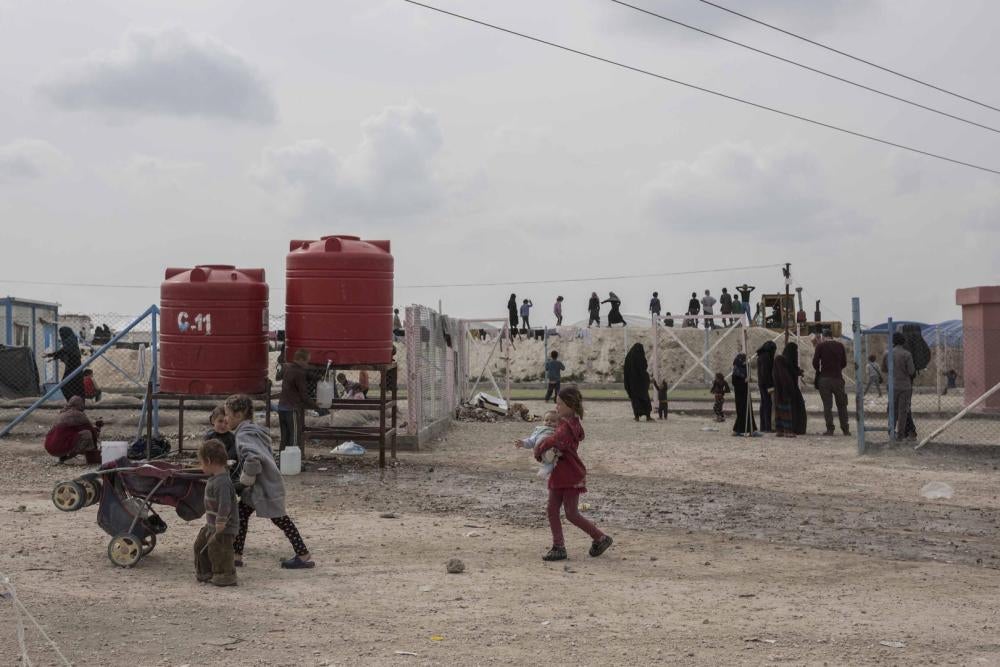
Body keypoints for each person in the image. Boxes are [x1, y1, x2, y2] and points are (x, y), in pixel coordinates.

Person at [226, 395, 314, 569]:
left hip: (264, 487)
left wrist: (245, 481)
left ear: (239, 414)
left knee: (280, 519)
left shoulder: (244, 434)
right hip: (261, 486)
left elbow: (253, 458)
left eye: (228, 414)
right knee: (241, 514)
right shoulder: (254, 430)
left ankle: (303, 555)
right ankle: (236, 556)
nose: (226, 418)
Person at [534, 386, 613, 561]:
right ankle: (560, 546)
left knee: (570, 513)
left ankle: (599, 538)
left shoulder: (566, 426)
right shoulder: (571, 423)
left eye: (560, 404)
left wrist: (540, 447)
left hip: (569, 474)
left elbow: (556, 440)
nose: (557, 408)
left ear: (570, 404)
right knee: (554, 509)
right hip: (564, 473)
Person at [193, 440, 239, 587]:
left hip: (224, 526)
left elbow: (225, 504)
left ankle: (225, 575)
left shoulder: (223, 482)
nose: (201, 467)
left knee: (221, 550)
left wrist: (221, 521)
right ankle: (205, 571)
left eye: (202, 463)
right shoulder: (214, 479)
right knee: (200, 545)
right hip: (211, 524)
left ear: (208, 461)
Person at [277, 349, 318, 451]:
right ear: (300, 360)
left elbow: (278, 377)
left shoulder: (287, 368)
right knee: (294, 437)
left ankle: (282, 462)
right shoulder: (299, 373)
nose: (307, 364)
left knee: (284, 437)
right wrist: (316, 405)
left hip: (281, 407)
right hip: (291, 409)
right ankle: (293, 464)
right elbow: (304, 395)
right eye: (306, 361)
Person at [812, 330, 851, 436]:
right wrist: (837, 369)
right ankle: (845, 429)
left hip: (824, 379)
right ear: (832, 336)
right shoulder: (840, 346)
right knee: (842, 405)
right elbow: (844, 363)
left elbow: (815, 363)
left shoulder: (820, 346)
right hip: (838, 379)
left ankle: (830, 429)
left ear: (824, 337)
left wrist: (821, 371)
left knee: (827, 406)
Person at [44, 396, 102, 464]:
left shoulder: (62, 413)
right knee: (87, 434)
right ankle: (70, 458)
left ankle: (63, 457)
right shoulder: (78, 415)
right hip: (60, 447)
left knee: (70, 435)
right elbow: (92, 432)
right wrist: (98, 428)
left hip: (50, 447)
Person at [883, 332, 917, 441]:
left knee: (892, 409)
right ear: (903, 342)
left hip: (892, 385)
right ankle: (900, 435)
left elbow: (884, 369)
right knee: (903, 411)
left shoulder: (887, 354)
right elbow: (911, 371)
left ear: (893, 341)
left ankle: (891, 431)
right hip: (905, 386)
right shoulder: (907, 354)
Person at [514, 410, 559, 479]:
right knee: (543, 471)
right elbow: (531, 441)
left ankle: (553, 473)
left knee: (553, 464)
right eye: (546, 420)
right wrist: (523, 443)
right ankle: (548, 471)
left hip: (554, 453)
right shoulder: (539, 431)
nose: (549, 422)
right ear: (543, 421)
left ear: (559, 423)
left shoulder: (558, 431)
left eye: (553, 421)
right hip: (541, 451)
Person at [45, 326, 85, 402]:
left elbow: (65, 351)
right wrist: (52, 356)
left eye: (62, 333)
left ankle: (73, 402)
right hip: (72, 368)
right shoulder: (70, 341)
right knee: (71, 386)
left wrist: (53, 355)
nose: (61, 335)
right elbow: (63, 351)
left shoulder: (71, 342)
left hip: (73, 367)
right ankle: (73, 403)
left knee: (66, 385)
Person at [782, 343, 808, 435]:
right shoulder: (788, 360)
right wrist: (798, 372)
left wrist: (798, 371)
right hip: (791, 387)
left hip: (790, 387)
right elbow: (792, 371)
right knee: (797, 408)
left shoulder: (785, 359)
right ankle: (796, 428)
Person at [623, 343, 653, 421]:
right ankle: (648, 416)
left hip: (632, 384)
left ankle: (637, 417)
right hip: (641, 384)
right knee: (645, 399)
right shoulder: (640, 357)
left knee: (635, 400)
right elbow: (644, 366)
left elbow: (626, 371)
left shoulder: (628, 357)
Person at [205, 405, 238, 472]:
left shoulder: (232, 438)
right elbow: (204, 452)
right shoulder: (209, 436)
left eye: (226, 423)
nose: (223, 425)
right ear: (213, 420)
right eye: (220, 421)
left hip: (227, 468)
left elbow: (232, 455)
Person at [772, 352, 798, 438]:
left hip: (777, 395)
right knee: (786, 412)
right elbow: (787, 384)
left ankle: (779, 430)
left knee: (778, 413)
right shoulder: (783, 372)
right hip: (784, 395)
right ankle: (788, 431)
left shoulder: (775, 371)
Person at [731, 352, 757, 436]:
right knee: (742, 411)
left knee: (748, 411)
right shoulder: (736, 370)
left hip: (746, 393)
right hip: (740, 394)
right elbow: (735, 382)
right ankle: (738, 430)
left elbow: (747, 378)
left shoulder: (744, 369)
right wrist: (744, 381)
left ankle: (751, 430)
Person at [756, 340, 777, 432]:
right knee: (767, 404)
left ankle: (763, 426)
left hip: (762, 383)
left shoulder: (761, 356)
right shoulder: (766, 357)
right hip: (766, 384)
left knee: (764, 404)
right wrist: (770, 386)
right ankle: (767, 427)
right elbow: (766, 373)